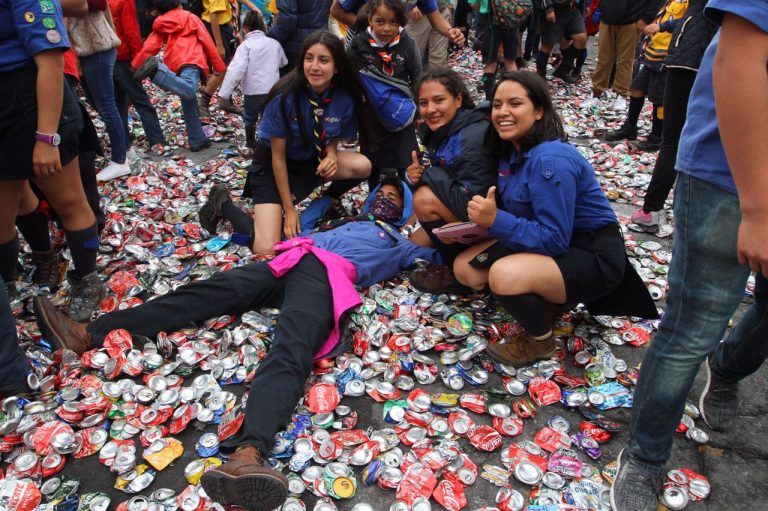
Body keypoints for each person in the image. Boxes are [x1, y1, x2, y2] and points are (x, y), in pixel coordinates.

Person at [33, 178, 439, 511]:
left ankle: (249, 453)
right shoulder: (340, 222)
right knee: (209, 291)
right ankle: (90, 333)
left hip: (327, 279)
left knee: (292, 348)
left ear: (403, 212)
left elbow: (438, 255)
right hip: (290, 258)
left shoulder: (401, 245)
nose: (384, 200)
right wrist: (327, 197)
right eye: (380, 194)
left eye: (393, 198)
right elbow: (308, 211)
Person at [610, 2, 768, 509]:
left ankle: (727, 370)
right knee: (691, 328)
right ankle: (645, 456)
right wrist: (759, 211)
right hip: (731, 177)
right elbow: (739, 61)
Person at [452, 71, 656, 366]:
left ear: (538, 111)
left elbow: (553, 238)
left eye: (515, 104)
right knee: (466, 270)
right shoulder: (511, 152)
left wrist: (495, 220)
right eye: (497, 105)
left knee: (503, 276)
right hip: (556, 245)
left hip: (590, 253)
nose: (503, 112)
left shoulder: (550, 159)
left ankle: (540, 341)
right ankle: (551, 299)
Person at [199, 31, 372, 256]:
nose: (315, 66)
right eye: (309, 59)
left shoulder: (344, 98)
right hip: (273, 167)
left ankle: (328, 201)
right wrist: (289, 211)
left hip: (311, 160)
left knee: (363, 166)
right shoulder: (285, 97)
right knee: (266, 249)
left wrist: (330, 155)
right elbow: (277, 158)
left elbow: (333, 135)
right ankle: (221, 203)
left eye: (324, 60)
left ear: (337, 67)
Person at [0, 0, 106, 320]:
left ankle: (87, 279)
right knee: (3, 214)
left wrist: (46, 138)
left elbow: (50, 61)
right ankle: (9, 286)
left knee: (69, 201)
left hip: (35, 101)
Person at [629, 0, 716, 231]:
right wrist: (666, 25)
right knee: (689, 140)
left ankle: (651, 210)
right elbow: (695, 19)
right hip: (696, 61)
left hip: (689, 65)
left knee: (673, 141)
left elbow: (702, 18)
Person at [406, 68, 497, 273]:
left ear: (458, 100)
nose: (430, 109)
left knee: (423, 200)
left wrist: (427, 174)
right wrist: (417, 174)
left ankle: (455, 271)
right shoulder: (445, 129)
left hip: (490, 220)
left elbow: (471, 203)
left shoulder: (470, 138)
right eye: (423, 103)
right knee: (413, 244)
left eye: (439, 100)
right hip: (464, 206)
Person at [131, 0, 226, 152]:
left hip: (175, 61)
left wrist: (135, 65)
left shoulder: (161, 23)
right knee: (189, 90)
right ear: (179, 5)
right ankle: (157, 72)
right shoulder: (190, 17)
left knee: (188, 99)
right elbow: (206, 41)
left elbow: (150, 46)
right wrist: (219, 65)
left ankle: (197, 139)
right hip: (193, 59)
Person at [348, 0, 421, 188]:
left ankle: (408, 202)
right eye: (380, 22)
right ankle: (373, 200)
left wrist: (417, 112)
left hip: (400, 113)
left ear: (401, 22)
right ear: (370, 19)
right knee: (373, 162)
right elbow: (349, 76)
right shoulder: (359, 44)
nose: (387, 28)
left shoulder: (407, 44)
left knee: (406, 160)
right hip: (371, 114)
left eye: (393, 22)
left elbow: (417, 77)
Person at [605, 0, 690, 151]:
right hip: (653, 52)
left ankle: (657, 137)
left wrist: (661, 27)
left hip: (667, 55)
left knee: (658, 98)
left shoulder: (690, 3)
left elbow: (686, 22)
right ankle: (630, 127)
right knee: (637, 89)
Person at [68, 0, 131, 180]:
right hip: (95, 47)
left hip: (95, 48)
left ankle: (120, 160)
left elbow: (98, 5)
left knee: (106, 106)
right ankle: (126, 149)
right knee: (101, 104)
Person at [219, 10, 287, 156]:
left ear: (245, 29)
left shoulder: (245, 46)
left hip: (253, 91)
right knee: (269, 117)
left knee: (250, 118)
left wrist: (224, 94)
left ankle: (251, 145)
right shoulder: (274, 44)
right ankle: (269, 144)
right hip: (272, 90)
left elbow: (235, 70)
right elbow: (283, 62)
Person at [109, 0, 171, 158]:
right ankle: (156, 139)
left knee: (117, 104)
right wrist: (138, 59)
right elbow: (130, 31)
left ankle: (124, 142)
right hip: (123, 57)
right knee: (141, 100)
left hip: (106, 58)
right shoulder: (123, 1)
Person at [582, 0, 658, 111]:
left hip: (632, 19)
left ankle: (621, 94)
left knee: (625, 60)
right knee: (603, 58)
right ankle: (596, 93)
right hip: (608, 18)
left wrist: (646, 19)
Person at [331, 0, 465, 49]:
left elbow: (436, 19)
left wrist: (450, 32)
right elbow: (335, 10)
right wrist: (373, 28)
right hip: (360, 42)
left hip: (392, 44)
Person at [197, 0, 242, 116]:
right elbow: (214, 15)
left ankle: (226, 99)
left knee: (231, 65)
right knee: (222, 68)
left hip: (225, 27)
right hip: (216, 29)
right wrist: (219, 45)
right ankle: (203, 103)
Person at [267, 0, 333, 74]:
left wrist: (269, 38)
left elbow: (287, 20)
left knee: (290, 82)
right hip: (321, 39)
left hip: (294, 47)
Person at [536, 0, 588, 83]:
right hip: (555, 9)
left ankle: (563, 70)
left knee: (581, 38)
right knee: (548, 44)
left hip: (574, 8)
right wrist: (549, 9)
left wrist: (586, 5)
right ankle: (540, 75)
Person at [405, 0, 452, 69]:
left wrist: (448, 5)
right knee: (412, 54)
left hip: (442, 10)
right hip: (419, 13)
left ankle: (437, 79)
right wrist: (412, 5)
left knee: (439, 57)